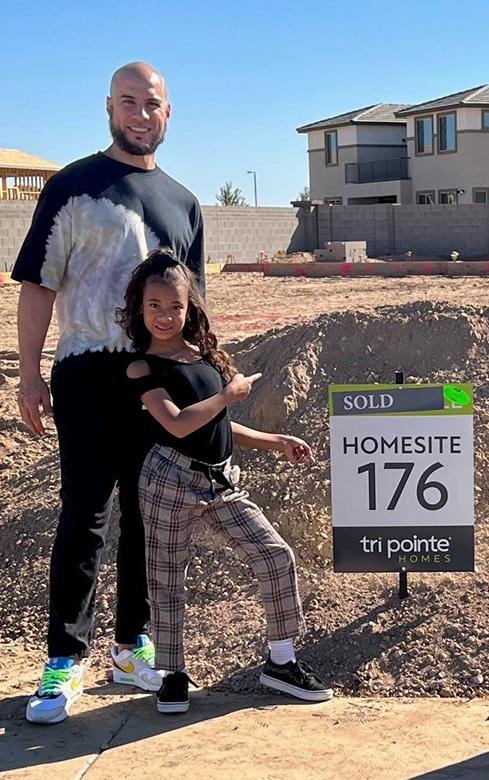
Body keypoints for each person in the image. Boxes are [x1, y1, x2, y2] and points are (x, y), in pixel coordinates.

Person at [13, 61, 205, 724]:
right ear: (108, 108)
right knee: (85, 517)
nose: (140, 115)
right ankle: (64, 660)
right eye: (128, 102)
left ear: (168, 112)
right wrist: (29, 374)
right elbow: (39, 283)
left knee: (149, 518)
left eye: (151, 104)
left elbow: (193, 309)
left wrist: (204, 382)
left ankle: (131, 648)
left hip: (159, 381)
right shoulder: (72, 187)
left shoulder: (184, 203)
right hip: (88, 375)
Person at [119, 250, 332, 713]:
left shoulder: (204, 357)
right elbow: (177, 424)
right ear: (139, 307)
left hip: (219, 480)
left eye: (174, 306)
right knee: (168, 580)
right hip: (168, 479)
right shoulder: (141, 367)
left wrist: (277, 441)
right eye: (154, 305)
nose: (164, 316)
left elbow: (216, 424)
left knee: (275, 555)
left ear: (189, 307)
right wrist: (227, 394)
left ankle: (281, 662)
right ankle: (172, 676)